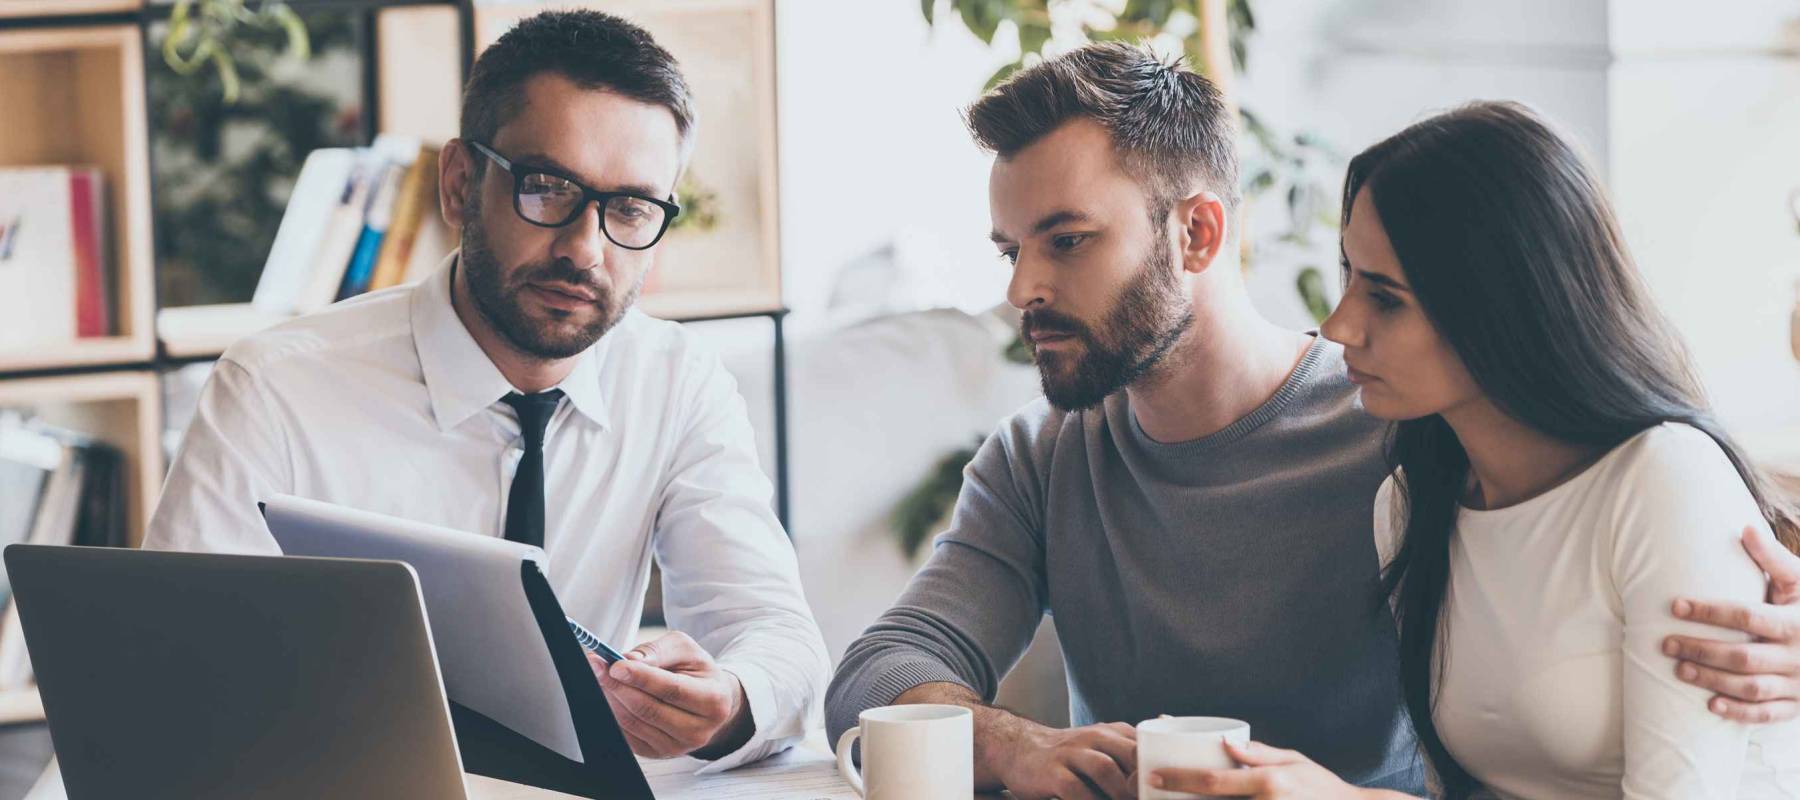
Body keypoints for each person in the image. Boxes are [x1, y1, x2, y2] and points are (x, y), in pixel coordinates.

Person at [825, 44, 1800, 800]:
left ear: (1199, 232)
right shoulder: (1040, 459)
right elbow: (877, 667)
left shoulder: (1409, 425)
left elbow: (1614, 482)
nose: (1023, 288)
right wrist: (1008, 740)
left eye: (1067, 241)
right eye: (1009, 249)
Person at [145, 10, 827, 772]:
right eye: (547, 188)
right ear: (461, 183)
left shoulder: (677, 382)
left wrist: (732, 701)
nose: (584, 249)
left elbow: (778, 634)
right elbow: (177, 673)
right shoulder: (275, 388)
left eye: (631, 208)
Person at [1150, 102, 1800, 799]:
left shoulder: (1663, 481)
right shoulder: (1409, 502)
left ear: (1503, 305)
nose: (1338, 326)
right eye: (1348, 275)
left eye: (1386, 298)